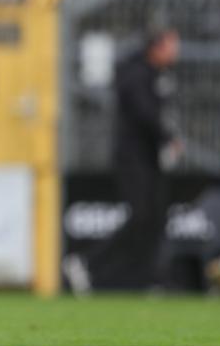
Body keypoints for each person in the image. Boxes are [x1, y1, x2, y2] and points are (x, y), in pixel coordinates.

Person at [64, 26, 181, 293]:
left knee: (155, 218)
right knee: (141, 215)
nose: (176, 51)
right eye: (172, 45)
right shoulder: (136, 74)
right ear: (157, 46)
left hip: (152, 158)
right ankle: (87, 263)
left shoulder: (159, 75)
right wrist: (167, 136)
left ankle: (151, 277)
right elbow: (145, 114)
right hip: (133, 158)